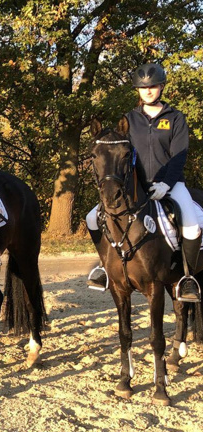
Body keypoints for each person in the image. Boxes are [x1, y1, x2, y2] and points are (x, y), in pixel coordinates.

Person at [86, 63, 200, 302]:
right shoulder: (129, 120)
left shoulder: (176, 118)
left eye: (153, 86)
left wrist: (166, 184)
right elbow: (120, 154)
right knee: (91, 219)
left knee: (191, 224)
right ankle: (104, 269)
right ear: (138, 90)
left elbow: (179, 156)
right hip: (136, 185)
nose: (148, 91)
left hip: (171, 185)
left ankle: (188, 278)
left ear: (161, 87)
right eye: (143, 87)